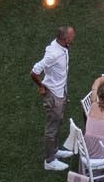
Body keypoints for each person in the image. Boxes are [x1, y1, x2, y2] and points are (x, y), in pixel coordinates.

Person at [30, 25, 74, 171]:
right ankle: (49, 161)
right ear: (65, 38)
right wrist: (41, 86)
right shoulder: (53, 54)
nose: (73, 37)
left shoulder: (61, 46)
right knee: (52, 128)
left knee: (58, 123)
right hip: (54, 95)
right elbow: (34, 71)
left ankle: (54, 151)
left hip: (61, 92)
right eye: (71, 35)